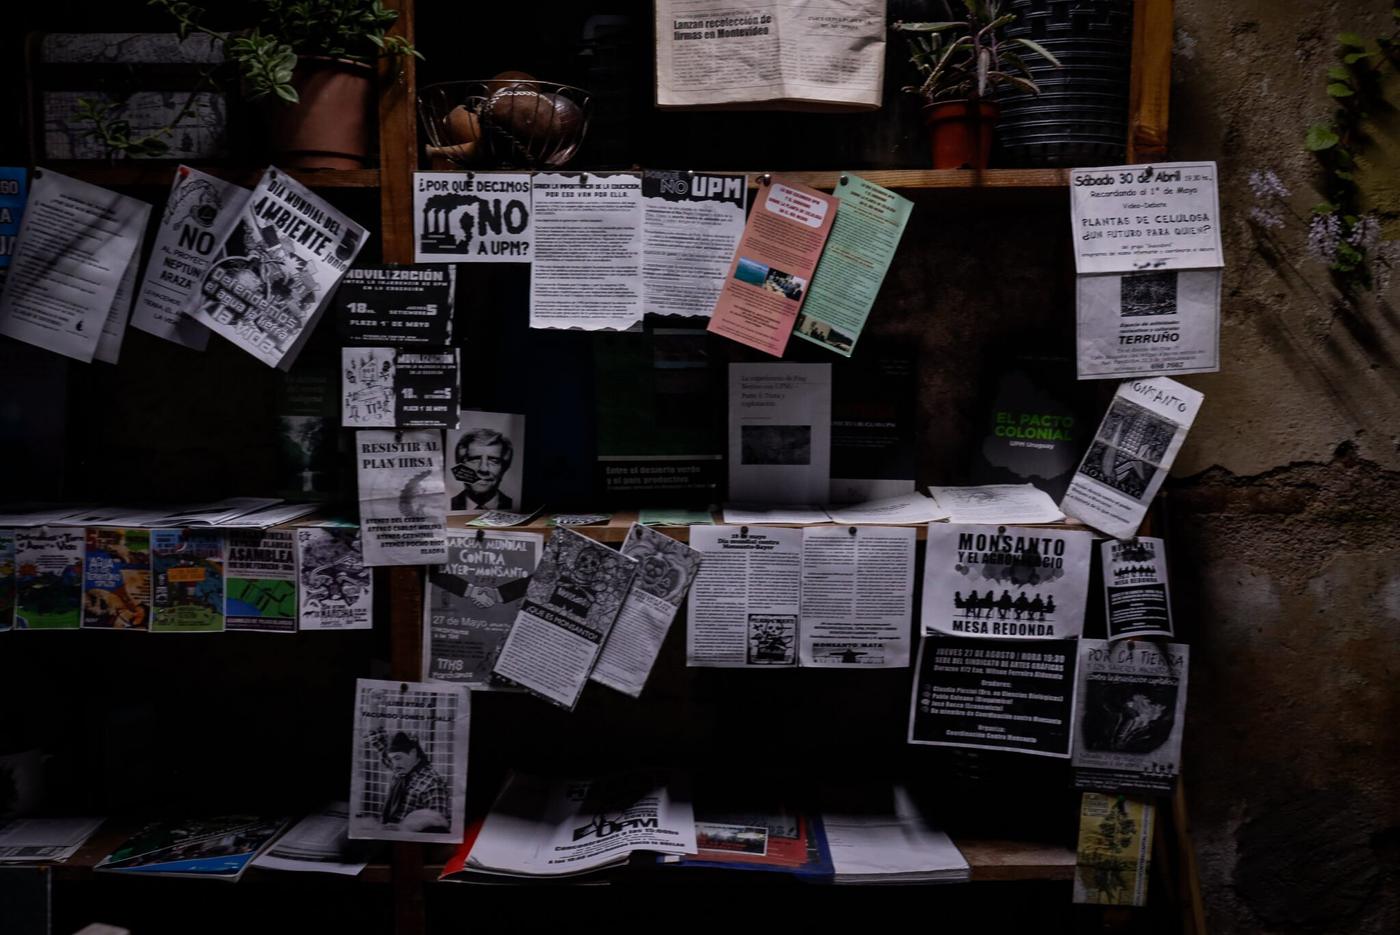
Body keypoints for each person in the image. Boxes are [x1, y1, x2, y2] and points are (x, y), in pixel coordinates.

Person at [368, 728, 451, 832]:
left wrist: (401, 828)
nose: (394, 765)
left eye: (397, 758)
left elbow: (438, 828)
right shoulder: (403, 768)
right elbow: (380, 745)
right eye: (391, 759)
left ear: (413, 753)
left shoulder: (432, 784)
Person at [449, 428, 514, 511]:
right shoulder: (447, 505)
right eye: (474, 460)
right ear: (460, 466)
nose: (484, 469)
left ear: (504, 468)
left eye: (494, 461)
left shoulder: (516, 506)